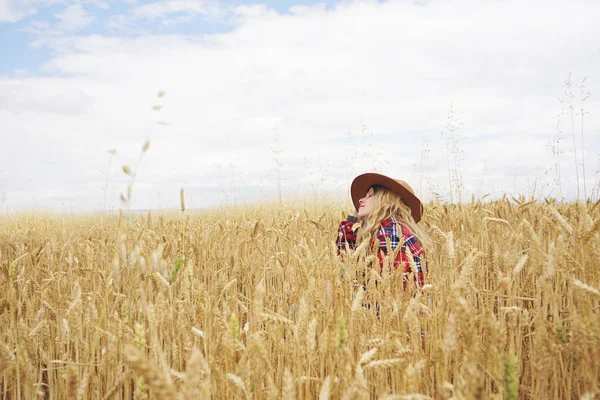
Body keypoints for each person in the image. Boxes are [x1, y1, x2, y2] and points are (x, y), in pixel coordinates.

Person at [336, 172, 428, 290]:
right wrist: (353, 217)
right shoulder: (389, 229)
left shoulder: (390, 234)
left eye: (369, 195)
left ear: (385, 200)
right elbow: (347, 255)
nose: (360, 200)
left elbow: (381, 296)